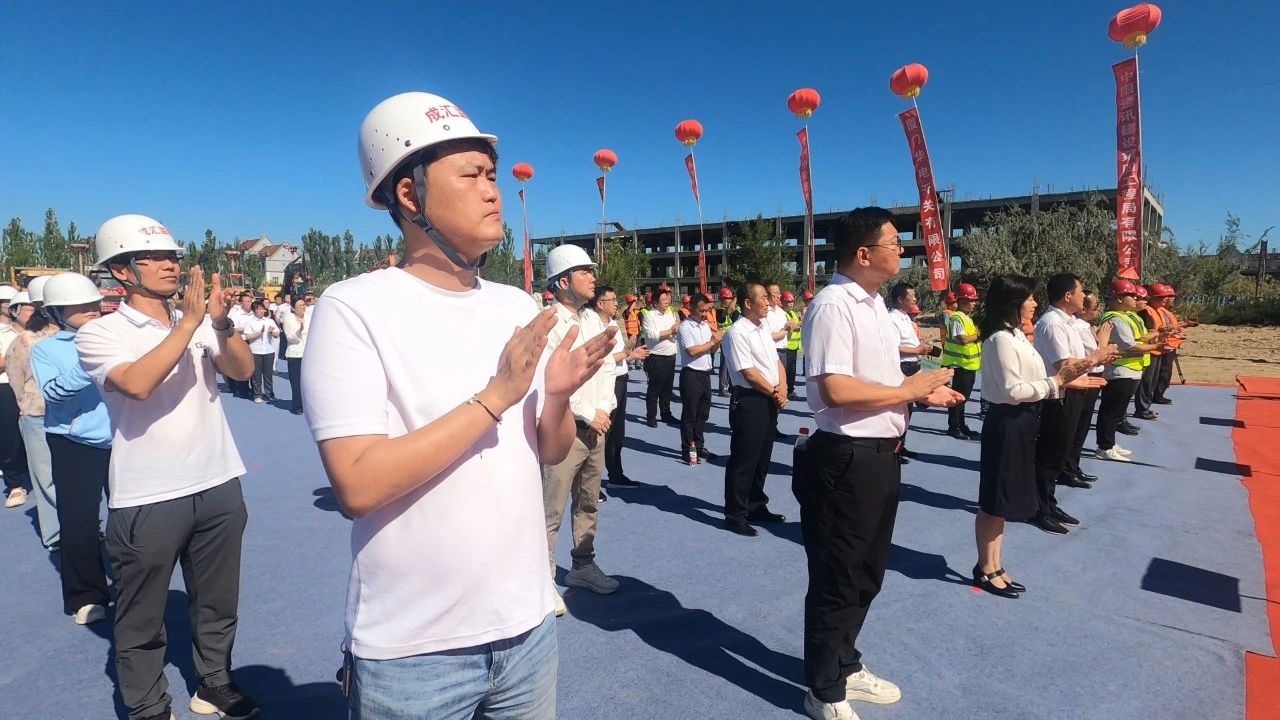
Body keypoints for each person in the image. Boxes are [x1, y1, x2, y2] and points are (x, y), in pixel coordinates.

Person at [303, 92, 612, 720]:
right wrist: (496, 396)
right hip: (414, 651)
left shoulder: (515, 306)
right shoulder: (354, 307)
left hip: (527, 628)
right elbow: (359, 484)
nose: (492, 191)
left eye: (492, 174)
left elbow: (550, 450)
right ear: (410, 195)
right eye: (471, 176)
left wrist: (557, 396)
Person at [76, 213, 259, 720]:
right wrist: (188, 324)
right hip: (148, 494)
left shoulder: (196, 322)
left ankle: (215, 682)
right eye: (152, 257)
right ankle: (148, 706)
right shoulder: (102, 332)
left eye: (172, 256)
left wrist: (219, 324)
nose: (169, 265)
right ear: (121, 271)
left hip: (218, 479)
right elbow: (136, 384)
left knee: (218, 601)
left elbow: (242, 371)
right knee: (141, 615)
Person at [795, 208, 962, 720]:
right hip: (845, 458)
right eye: (894, 243)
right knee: (838, 577)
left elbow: (878, 384)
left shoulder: (876, 308)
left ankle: (845, 663)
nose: (902, 251)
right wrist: (908, 390)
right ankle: (823, 689)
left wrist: (920, 394)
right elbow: (836, 390)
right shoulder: (833, 306)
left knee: (867, 573)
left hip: (882, 456)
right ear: (864, 254)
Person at [973, 275, 1106, 601]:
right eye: (1029, 298)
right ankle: (986, 567)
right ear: (1014, 303)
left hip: (1023, 420)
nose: (1035, 303)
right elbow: (1011, 390)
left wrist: (1064, 380)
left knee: (1003, 502)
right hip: (1007, 422)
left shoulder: (1016, 335)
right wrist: (1056, 382)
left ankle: (995, 564)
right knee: (994, 500)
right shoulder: (1001, 340)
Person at [540, 243, 620, 613]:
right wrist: (588, 413)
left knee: (588, 501)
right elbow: (548, 382)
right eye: (584, 271)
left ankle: (582, 566)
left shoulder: (593, 321)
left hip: (595, 428)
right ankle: (541, 580)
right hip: (564, 430)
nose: (592, 277)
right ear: (562, 281)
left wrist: (603, 408)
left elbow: (607, 368)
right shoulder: (550, 323)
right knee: (550, 510)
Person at [30, 272, 113, 625]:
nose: (90, 309)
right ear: (56, 313)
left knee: (135, 519)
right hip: (74, 443)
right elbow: (54, 393)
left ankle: (135, 583)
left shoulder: (115, 335)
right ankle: (86, 595)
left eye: (93, 303)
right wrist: (90, 360)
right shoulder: (46, 350)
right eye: (78, 306)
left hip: (125, 438)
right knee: (79, 521)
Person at [1030, 274, 1116, 535]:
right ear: (1068, 296)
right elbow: (1065, 366)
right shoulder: (1052, 324)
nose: (1083, 297)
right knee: (1050, 455)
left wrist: (1095, 360)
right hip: (1058, 396)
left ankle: (1048, 502)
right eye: (1080, 292)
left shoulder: (1068, 323)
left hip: (1074, 391)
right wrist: (1096, 357)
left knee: (1060, 452)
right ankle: (1039, 508)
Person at [722, 282, 789, 537]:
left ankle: (756, 505)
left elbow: (776, 362)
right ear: (748, 303)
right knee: (744, 459)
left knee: (762, 458)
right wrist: (774, 392)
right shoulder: (737, 332)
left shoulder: (762, 328)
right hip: (750, 401)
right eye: (763, 297)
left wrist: (782, 388)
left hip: (768, 398)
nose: (768, 302)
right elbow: (748, 372)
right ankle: (735, 515)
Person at [7, 278, 60, 549]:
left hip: (74, 416)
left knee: (77, 476)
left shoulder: (78, 336)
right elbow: (16, 379)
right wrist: (29, 405)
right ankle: (56, 534)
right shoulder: (25, 341)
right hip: (38, 415)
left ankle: (84, 527)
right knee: (45, 475)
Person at [1095, 279, 1170, 462]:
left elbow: (1139, 339)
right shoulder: (1115, 318)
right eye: (1131, 295)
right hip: (1120, 370)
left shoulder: (1126, 316)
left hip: (1131, 369)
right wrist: (1157, 346)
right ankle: (1105, 446)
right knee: (1111, 411)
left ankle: (1110, 443)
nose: (1136, 298)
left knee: (1117, 411)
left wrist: (1157, 337)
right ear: (1120, 298)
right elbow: (1129, 346)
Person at [596, 286, 647, 488]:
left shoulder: (613, 323)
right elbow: (601, 359)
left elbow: (617, 356)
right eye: (613, 300)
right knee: (602, 433)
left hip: (621, 379)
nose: (617, 303)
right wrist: (625, 354)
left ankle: (616, 474)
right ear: (600, 304)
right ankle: (593, 483)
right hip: (606, 383)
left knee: (617, 432)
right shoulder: (595, 327)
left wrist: (631, 355)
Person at [1061, 290, 1109, 487]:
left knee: (1082, 426)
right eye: (1094, 306)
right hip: (1085, 377)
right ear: (1083, 309)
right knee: (1077, 426)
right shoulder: (1078, 327)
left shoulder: (1086, 327)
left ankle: (1073, 465)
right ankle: (1068, 468)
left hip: (1093, 376)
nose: (1097, 310)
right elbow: (1095, 357)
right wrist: (1103, 341)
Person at [887, 283, 934, 464]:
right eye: (912, 296)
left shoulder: (906, 318)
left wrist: (921, 347)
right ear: (900, 299)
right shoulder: (892, 319)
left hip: (913, 365)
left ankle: (901, 445)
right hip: (902, 367)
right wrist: (917, 350)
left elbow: (908, 343)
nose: (915, 299)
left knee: (908, 412)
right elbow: (893, 348)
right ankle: (893, 451)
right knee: (900, 411)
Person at [677, 293, 721, 464]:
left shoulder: (705, 326)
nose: (704, 314)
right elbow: (692, 351)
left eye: (706, 310)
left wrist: (717, 341)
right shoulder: (685, 327)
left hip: (705, 374)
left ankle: (699, 445)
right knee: (690, 414)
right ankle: (687, 449)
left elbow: (711, 350)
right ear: (692, 308)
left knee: (703, 413)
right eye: (701, 310)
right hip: (691, 374)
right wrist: (711, 343)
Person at [0, 284, 31, 509]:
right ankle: (15, 484)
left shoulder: (45, 332)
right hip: (7, 387)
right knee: (11, 435)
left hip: (34, 386)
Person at [942, 282, 982, 440]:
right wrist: (979, 335)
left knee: (963, 398)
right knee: (958, 398)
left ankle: (961, 425)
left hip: (968, 365)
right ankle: (954, 427)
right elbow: (963, 339)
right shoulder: (957, 318)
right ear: (962, 301)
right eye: (971, 300)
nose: (974, 303)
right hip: (960, 365)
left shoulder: (967, 318)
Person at [1150, 283, 1194, 403]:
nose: (1171, 299)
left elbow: (1171, 326)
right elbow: (1164, 328)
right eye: (1169, 296)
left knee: (1165, 371)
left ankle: (1157, 394)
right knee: (1164, 372)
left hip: (1170, 344)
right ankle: (1157, 395)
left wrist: (1183, 325)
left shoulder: (1166, 312)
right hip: (1165, 344)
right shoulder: (1159, 311)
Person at [642, 287, 678, 427]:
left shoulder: (670, 314)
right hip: (656, 357)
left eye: (667, 298)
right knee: (654, 389)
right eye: (663, 299)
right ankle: (651, 417)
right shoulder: (649, 316)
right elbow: (652, 335)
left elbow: (674, 332)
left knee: (667, 389)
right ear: (655, 303)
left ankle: (666, 414)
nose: (667, 301)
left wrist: (674, 331)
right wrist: (671, 331)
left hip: (671, 356)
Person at [241, 300, 280, 403]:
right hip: (255, 351)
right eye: (259, 309)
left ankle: (269, 393)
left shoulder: (269, 321)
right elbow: (247, 336)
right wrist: (259, 333)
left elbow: (277, 334)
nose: (262, 311)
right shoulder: (250, 322)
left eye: (262, 309)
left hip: (269, 350)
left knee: (268, 374)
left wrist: (271, 332)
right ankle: (257, 394)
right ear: (254, 311)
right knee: (256, 375)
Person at [282, 298, 307, 415]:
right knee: (296, 382)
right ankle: (297, 406)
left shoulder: (308, 317)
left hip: (308, 354)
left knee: (308, 382)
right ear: (293, 308)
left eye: (303, 305)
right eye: (300, 305)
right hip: (295, 354)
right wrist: (300, 329)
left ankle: (308, 405)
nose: (303, 307)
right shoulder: (288, 319)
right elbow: (290, 338)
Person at [715, 286, 739, 395]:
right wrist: (735, 298)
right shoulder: (719, 311)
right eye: (726, 298)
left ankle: (731, 386)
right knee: (725, 365)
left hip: (734, 340)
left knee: (734, 364)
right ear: (721, 299)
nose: (728, 301)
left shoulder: (736, 310)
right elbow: (729, 310)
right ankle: (723, 387)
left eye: (730, 298)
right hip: (725, 340)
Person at [781, 290, 803, 400]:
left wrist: (798, 324)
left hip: (794, 346)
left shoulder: (793, 313)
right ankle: (786, 391)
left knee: (792, 371)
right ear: (783, 302)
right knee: (786, 371)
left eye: (792, 302)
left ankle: (790, 390)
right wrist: (799, 324)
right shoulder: (782, 314)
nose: (791, 304)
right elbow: (790, 327)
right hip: (787, 346)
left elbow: (796, 325)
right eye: (788, 302)